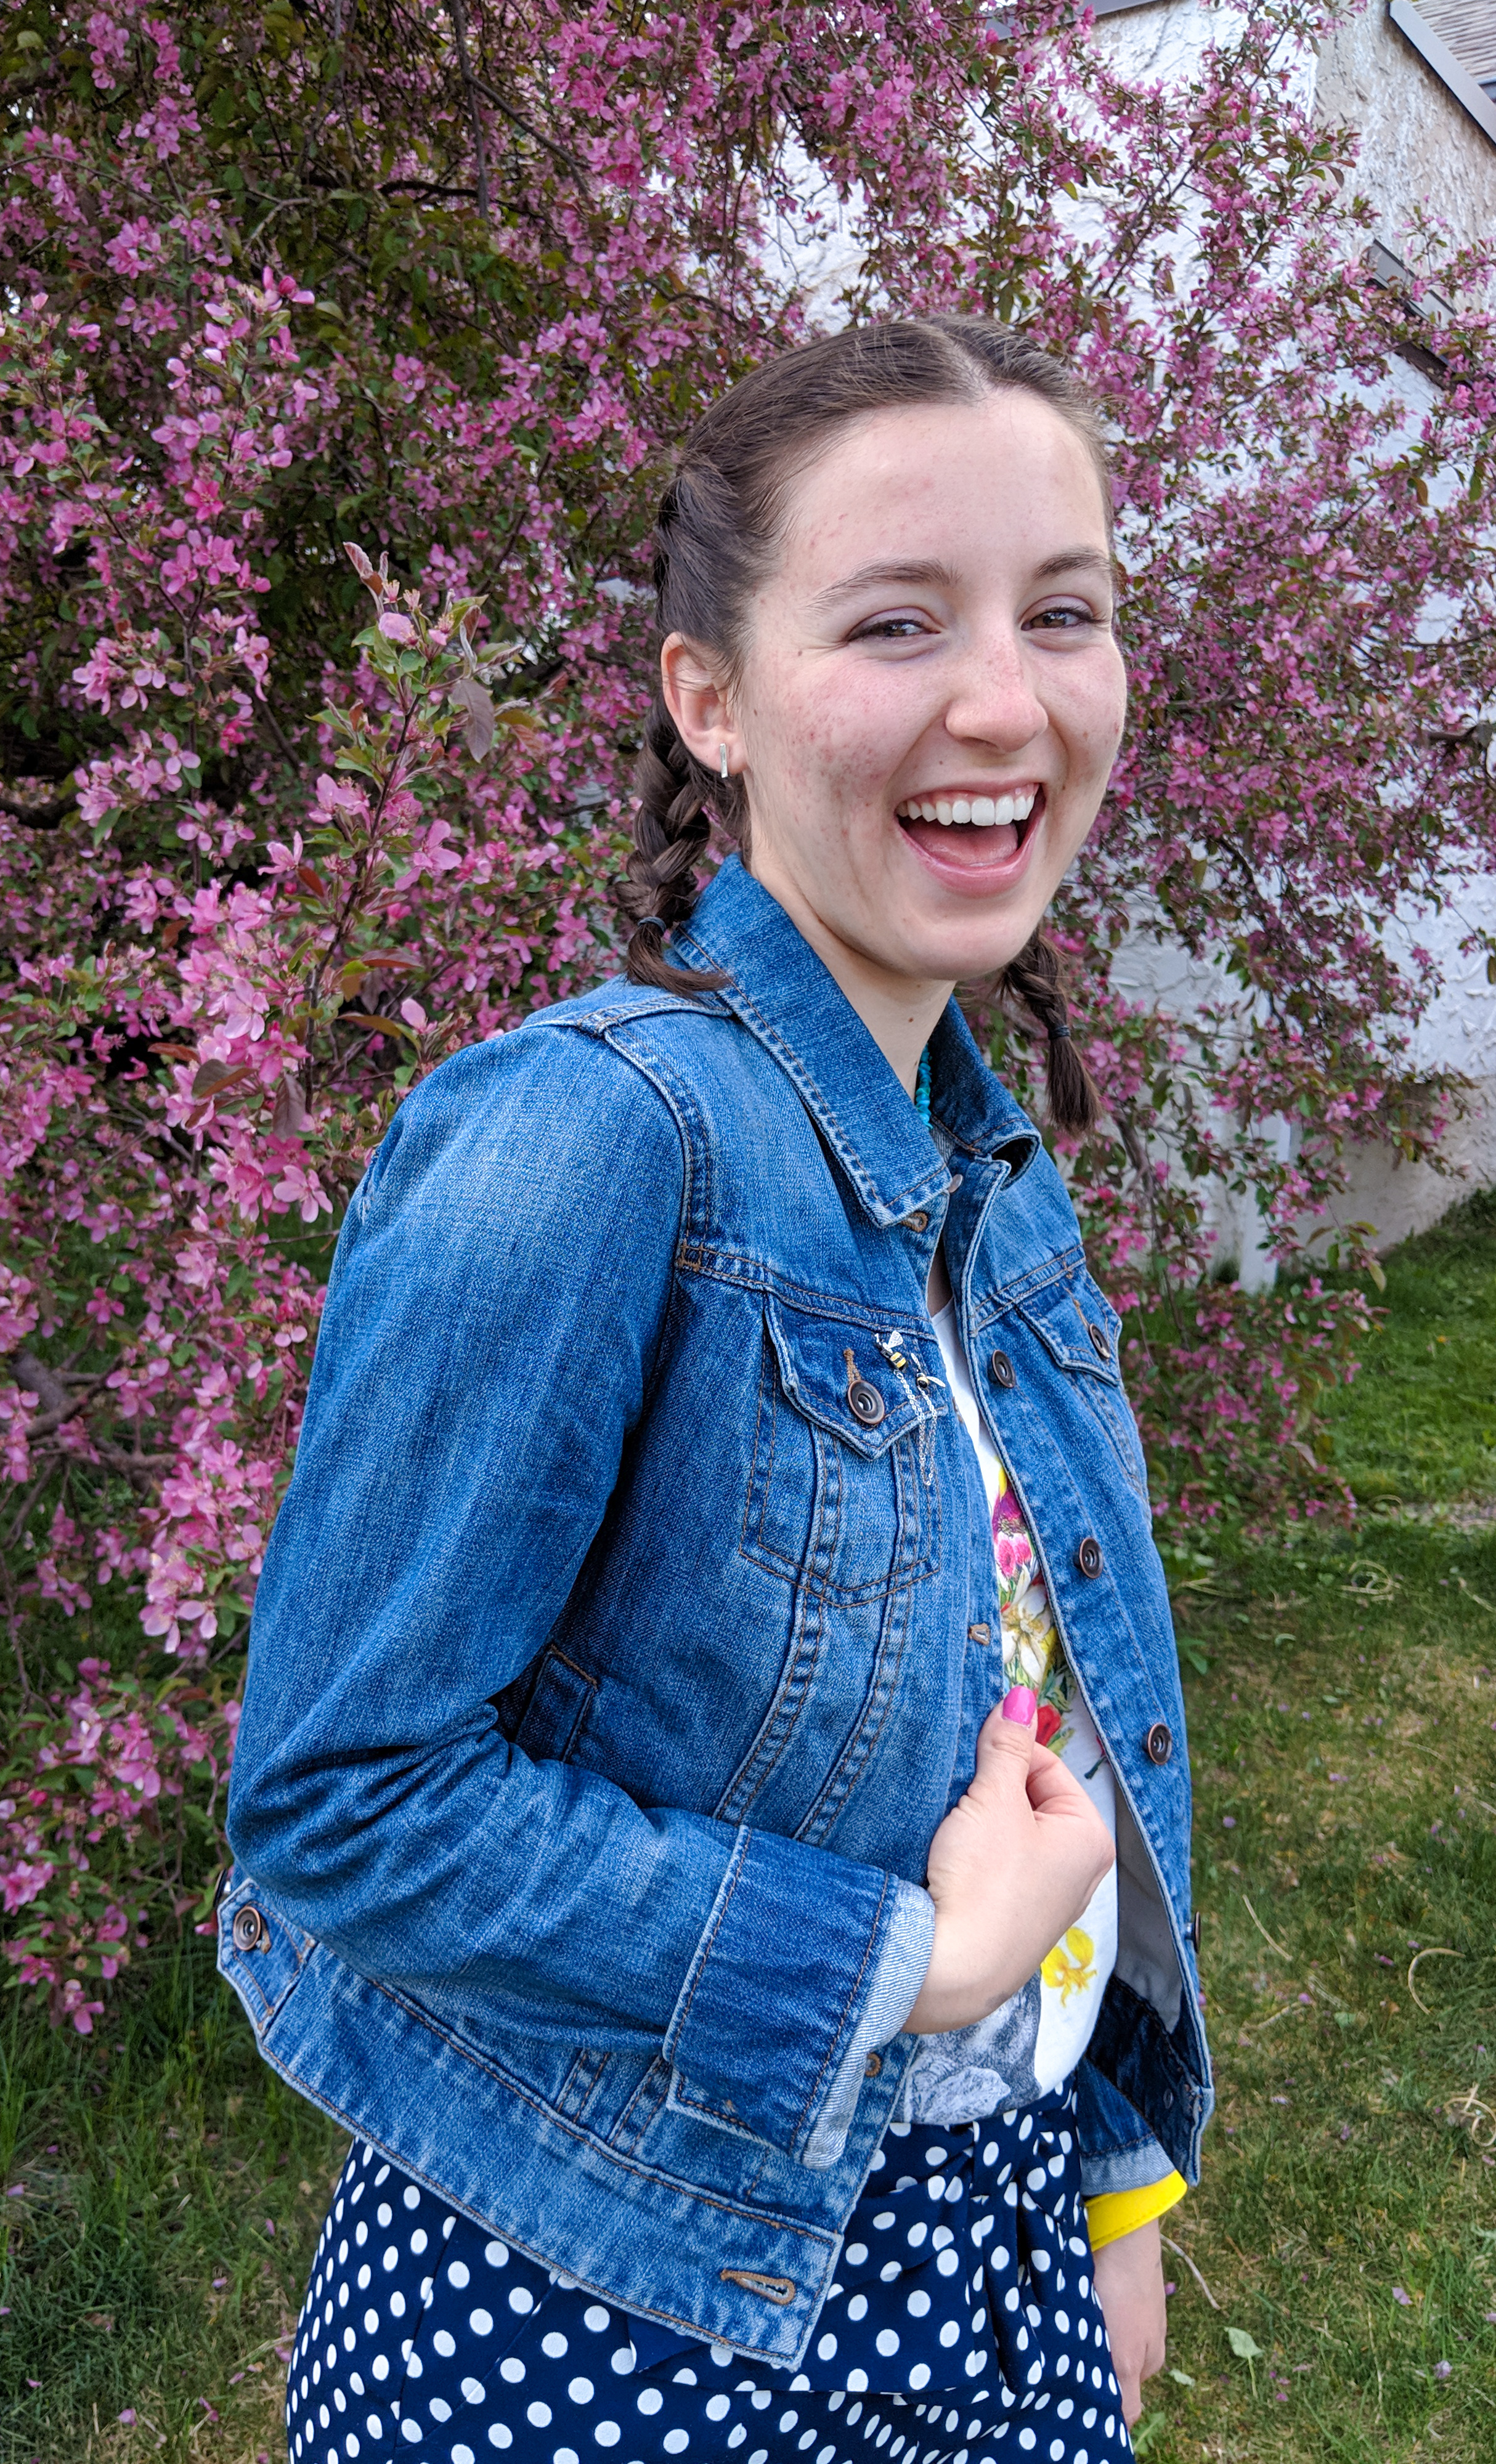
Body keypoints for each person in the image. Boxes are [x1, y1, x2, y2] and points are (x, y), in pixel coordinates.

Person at [220, 315, 1212, 2464]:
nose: (1005, 701)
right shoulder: (589, 1145)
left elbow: (1046, 1692)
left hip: (1000, 2249)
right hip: (615, 2315)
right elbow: (337, 1801)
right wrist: (900, 1971)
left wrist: (1109, 2178)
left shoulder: (982, 1163)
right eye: (895, 622)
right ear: (710, 701)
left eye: (1067, 611)